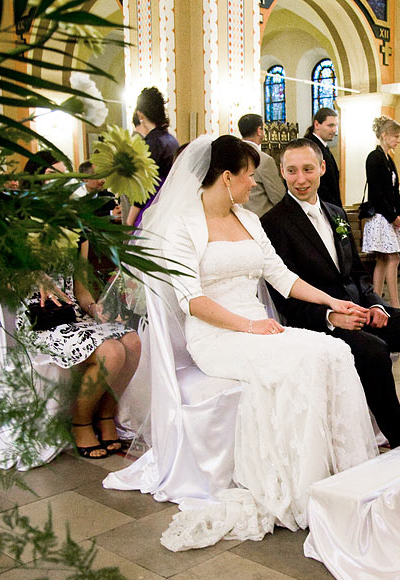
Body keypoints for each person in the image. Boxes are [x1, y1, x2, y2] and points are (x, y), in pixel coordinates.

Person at [149, 135, 377, 539]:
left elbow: (281, 276)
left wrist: (333, 302)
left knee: (333, 350)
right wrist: (249, 326)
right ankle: (299, 486)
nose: (254, 184)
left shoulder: (249, 220)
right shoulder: (182, 227)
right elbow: (192, 300)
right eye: (249, 175)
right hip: (217, 336)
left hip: (260, 328)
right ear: (226, 177)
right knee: (302, 363)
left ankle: (340, 474)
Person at [261, 139, 400, 448]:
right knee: (374, 351)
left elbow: (358, 274)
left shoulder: (336, 213)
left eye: (308, 169)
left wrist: (377, 305)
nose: (301, 179)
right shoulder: (272, 224)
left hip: (361, 311)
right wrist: (331, 316)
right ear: (282, 172)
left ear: (322, 168)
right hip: (316, 322)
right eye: (292, 171)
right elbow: (285, 297)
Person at [20, 152, 141, 459]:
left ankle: (105, 415)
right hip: (39, 316)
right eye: (51, 177)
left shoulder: (76, 227)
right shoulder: (21, 226)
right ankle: (80, 421)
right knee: (112, 352)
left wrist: (93, 308)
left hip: (71, 313)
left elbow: (82, 288)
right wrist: (36, 276)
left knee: (133, 342)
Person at [361, 116, 400, 308]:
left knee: (382, 259)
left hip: (390, 216)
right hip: (380, 216)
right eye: (395, 136)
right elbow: (377, 192)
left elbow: (395, 191)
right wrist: (392, 216)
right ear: (384, 135)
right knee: (392, 258)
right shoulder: (374, 157)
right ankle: (394, 303)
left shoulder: (390, 159)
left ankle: (377, 299)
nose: (398, 140)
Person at [126, 87, 179, 226]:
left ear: (140, 115)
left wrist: (130, 221)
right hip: (170, 204)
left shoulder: (152, 143)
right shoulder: (171, 140)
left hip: (153, 205)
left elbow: (145, 186)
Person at [237, 113, 285, 216]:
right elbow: (278, 197)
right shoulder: (265, 160)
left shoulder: (231, 155)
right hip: (262, 220)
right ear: (259, 131)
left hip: (238, 218)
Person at [304, 107, 342, 208]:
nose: (334, 130)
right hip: (321, 207)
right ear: (317, 125)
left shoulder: (323, 147)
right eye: (330, 125)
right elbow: (320, 186)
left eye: (335, 126)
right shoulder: (310, 148)